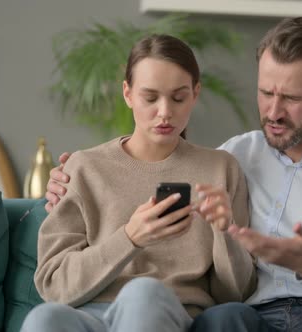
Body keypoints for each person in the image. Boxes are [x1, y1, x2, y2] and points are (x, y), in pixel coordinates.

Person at [46, 17, 302, 332]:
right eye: (265, 93)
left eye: (291, 99)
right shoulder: (235, 155)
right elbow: (165, 162)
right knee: (224, 318)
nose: (274, 112)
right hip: (252, 315)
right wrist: (68, 178)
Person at [21, 34, 256, 332]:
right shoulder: (84, 168)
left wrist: (226, 233)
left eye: (178, 97)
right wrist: (131, 236)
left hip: (171, 313)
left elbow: (236, 293)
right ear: (127, 93)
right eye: (150, 98)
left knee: (142, 294)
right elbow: (53, 284)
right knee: (44, 318)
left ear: (195, 94)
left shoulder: (221, 168)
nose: (165, 112)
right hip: (91, 315)